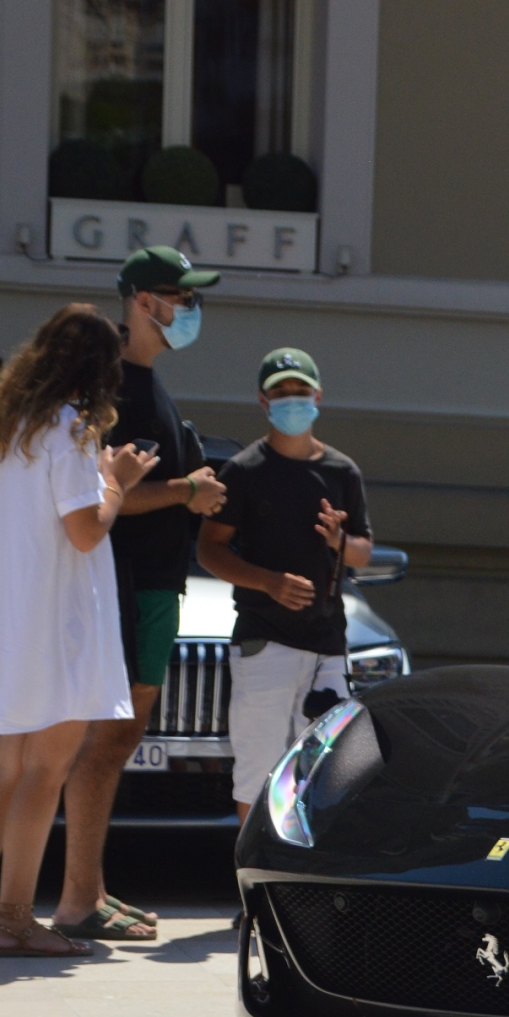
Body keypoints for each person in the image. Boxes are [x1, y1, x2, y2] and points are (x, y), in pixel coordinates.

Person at [0, 306, 153, 957]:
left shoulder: (7, 427)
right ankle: (14, 918)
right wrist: (117, 482)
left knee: (9, 766)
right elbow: (86, 529)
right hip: (58, 624)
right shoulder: (70, 428)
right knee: (47, 769)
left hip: (10, 617)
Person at [51, 248, 228, 942]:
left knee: (119, 739)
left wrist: (193, 490)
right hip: (125, 588)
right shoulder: (113, 385)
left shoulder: (149, 382)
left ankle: (89, 889)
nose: (189, 308)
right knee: (105, 740)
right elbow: (107, 495)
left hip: (154, 586)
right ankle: (74, 900)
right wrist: (188, 491)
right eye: (179, 295)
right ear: (141, 301)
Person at [197, 349, 372, 823]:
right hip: (264, 640)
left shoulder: (342, 472)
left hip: (327, 647)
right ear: (262, 400)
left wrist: (340, 540)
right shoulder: (245, 470)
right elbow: (210, 549)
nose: (292, 400)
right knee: (257, 774)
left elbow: (363, 551)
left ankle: (301, 885)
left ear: (317, 396)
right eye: (281, 392)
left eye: (300, 391)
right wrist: (268, 582)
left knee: (323, 774)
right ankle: (253, 888)